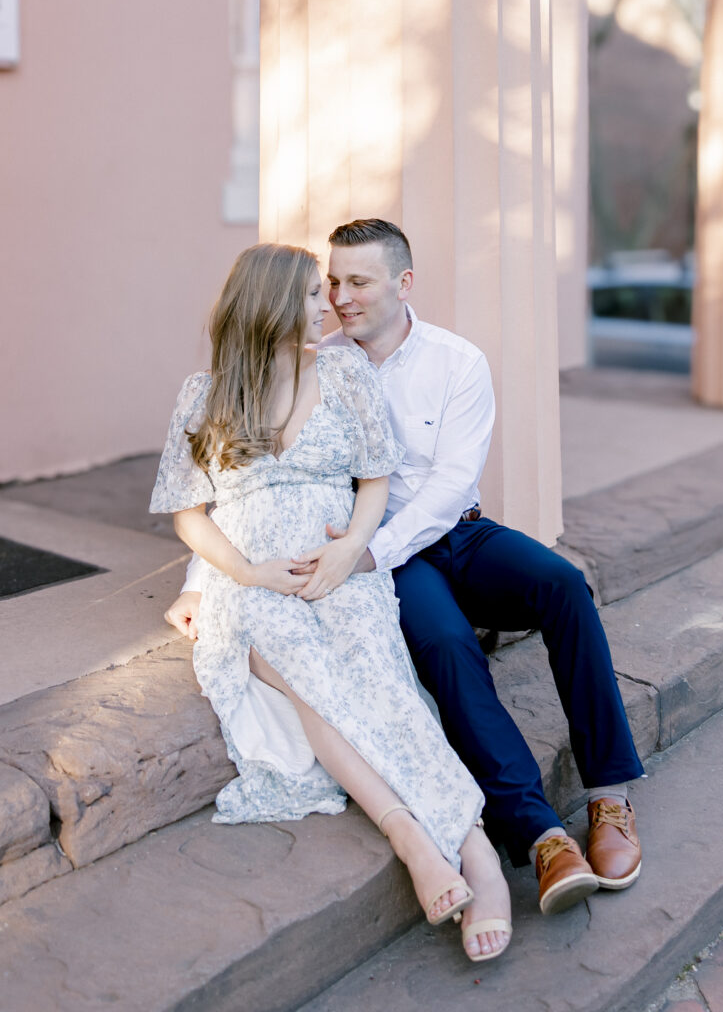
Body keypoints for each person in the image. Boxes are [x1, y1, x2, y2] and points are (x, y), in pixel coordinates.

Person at [167, 220, 644, 916]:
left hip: (450, 535)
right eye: (332, 282)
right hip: (374, 557)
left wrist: (369, 551)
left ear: (403, 283)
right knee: (445, 643)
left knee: (564, 585)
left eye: (358, 282)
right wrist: (200, 580)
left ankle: (609, 797)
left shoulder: (456, 362)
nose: (340, 297)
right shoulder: (313, 358)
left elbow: (451, 487)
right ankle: (539, 834)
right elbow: (243, 481)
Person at [150, 242, 512, 963]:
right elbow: (190, 514)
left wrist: (349, 550)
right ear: (273, 305)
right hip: (252, 579)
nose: (331, 307)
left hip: (337, 564)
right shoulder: (206, 394)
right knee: (314, 683)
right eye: (314, 296)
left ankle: (479, 856)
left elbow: (375, 480)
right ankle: (412, 838)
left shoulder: (344, 373)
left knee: (380, 681)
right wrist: (248, 574)